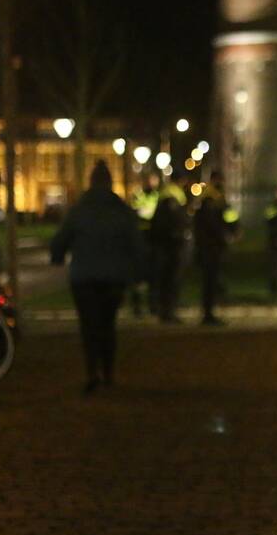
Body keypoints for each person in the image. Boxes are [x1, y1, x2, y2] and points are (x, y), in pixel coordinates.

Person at [51, 161, 142, 394]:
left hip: (84, 278)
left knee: (88, 326)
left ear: (90, 182)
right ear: (110, 182)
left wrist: (58, 257)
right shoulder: (120, 209)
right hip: (113, 278)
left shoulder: (79, 210)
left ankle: (92, 372)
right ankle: (109, 372)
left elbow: (61, 240)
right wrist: (137, 272)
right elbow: (135, 243)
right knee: (107, 325)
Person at [193, 171, 238, 327]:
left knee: (212, 279)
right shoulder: (210, 197)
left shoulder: (216, 196)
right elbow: (212, 223)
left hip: (213, 245)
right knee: (210, 279)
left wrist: (233, 230)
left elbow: (228, 216)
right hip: (210, 246)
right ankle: (208, 313)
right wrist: (227, 234)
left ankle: (210, 311)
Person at [150, 174, 189, 324]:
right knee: (172, 278)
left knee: (164, 278)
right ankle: (169, 311)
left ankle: (163, 310)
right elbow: (176, 220)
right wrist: (181, 233)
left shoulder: (164, 193)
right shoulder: (174, 195)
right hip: (173, 244)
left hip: (163, 243)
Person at [128, 173, 160, 318]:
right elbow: (137, 213)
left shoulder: (157, 196)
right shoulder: (139, 196)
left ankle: (152, 305)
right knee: (139, 276)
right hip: (142, 238)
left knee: (152, 275)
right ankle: (138, 307)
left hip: (151, 239)